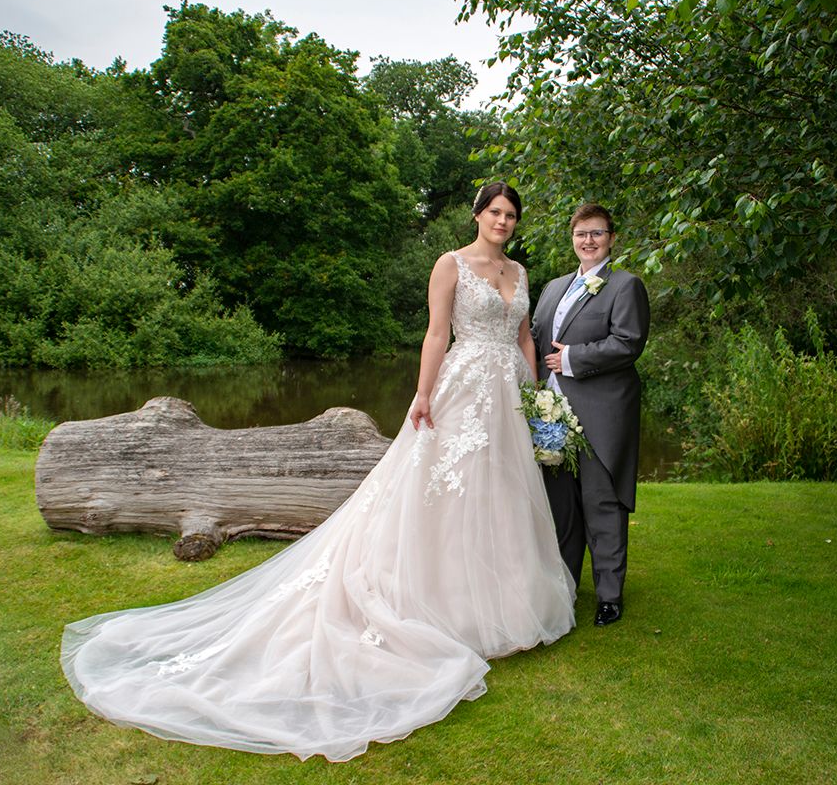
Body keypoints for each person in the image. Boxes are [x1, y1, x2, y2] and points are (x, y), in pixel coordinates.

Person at [60, 182, 576, 762]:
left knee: (502, 494)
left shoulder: (521, 273)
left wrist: (535, 399)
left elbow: (524, 340)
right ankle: (443, 603)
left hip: (508, 397)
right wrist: (423, 393)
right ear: (478, 215)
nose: (503, 222)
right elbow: (436, 333)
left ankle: (505, 601)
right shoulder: (450, 263)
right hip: (461, 390)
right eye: (495, 212)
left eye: (510, 216)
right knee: (443, 494)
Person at [531, 203, 650, 627]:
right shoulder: (552, 288)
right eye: (581, 234)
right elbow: (534, 338)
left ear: (611, 238)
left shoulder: (625, 285)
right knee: (561, 507)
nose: (588, 241)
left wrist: (574, 358)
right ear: (573, 238)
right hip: (551, 417)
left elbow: (629, 342)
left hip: (601, 416)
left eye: (597, 233)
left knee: (602, 504)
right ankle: (564, 585)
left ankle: (609, 596)